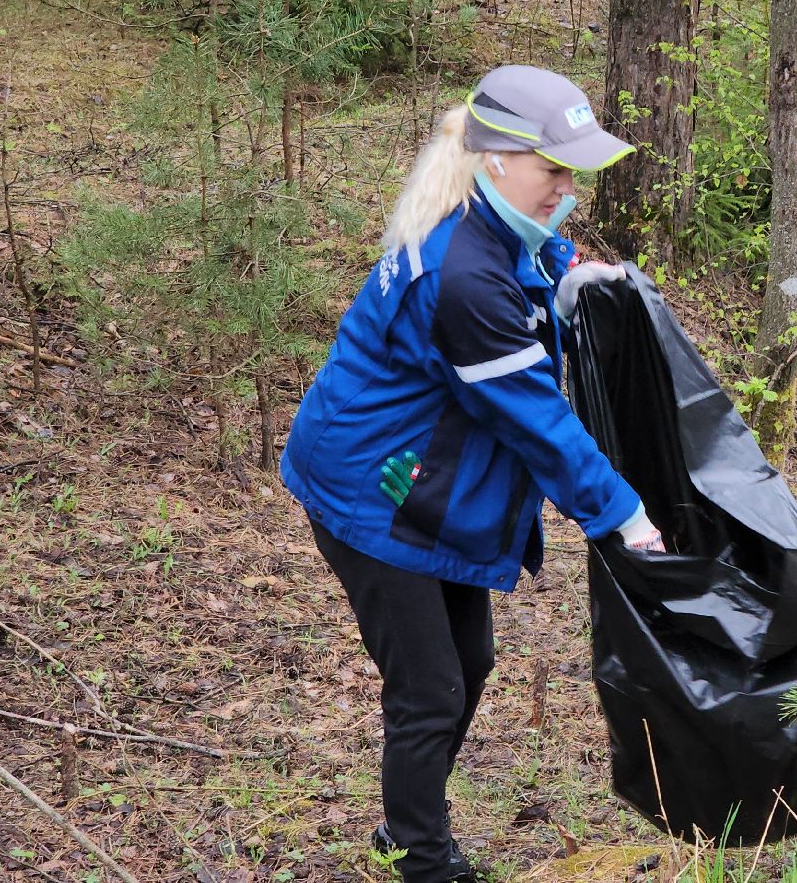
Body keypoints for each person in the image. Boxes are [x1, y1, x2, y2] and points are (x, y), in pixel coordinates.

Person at [281, 66, 663, 883]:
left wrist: (568, 277)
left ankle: (406, 827)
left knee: (470, 665)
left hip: (419, 480)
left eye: (574, 172)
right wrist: (624, 514)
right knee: (430, 691)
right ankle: (420, 859)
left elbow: (521, 266)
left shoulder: (487, 226)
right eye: (552, 171)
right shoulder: (462, 276)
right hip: (373, 490)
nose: (567, 189)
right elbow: (534, 420)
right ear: (496, 160)